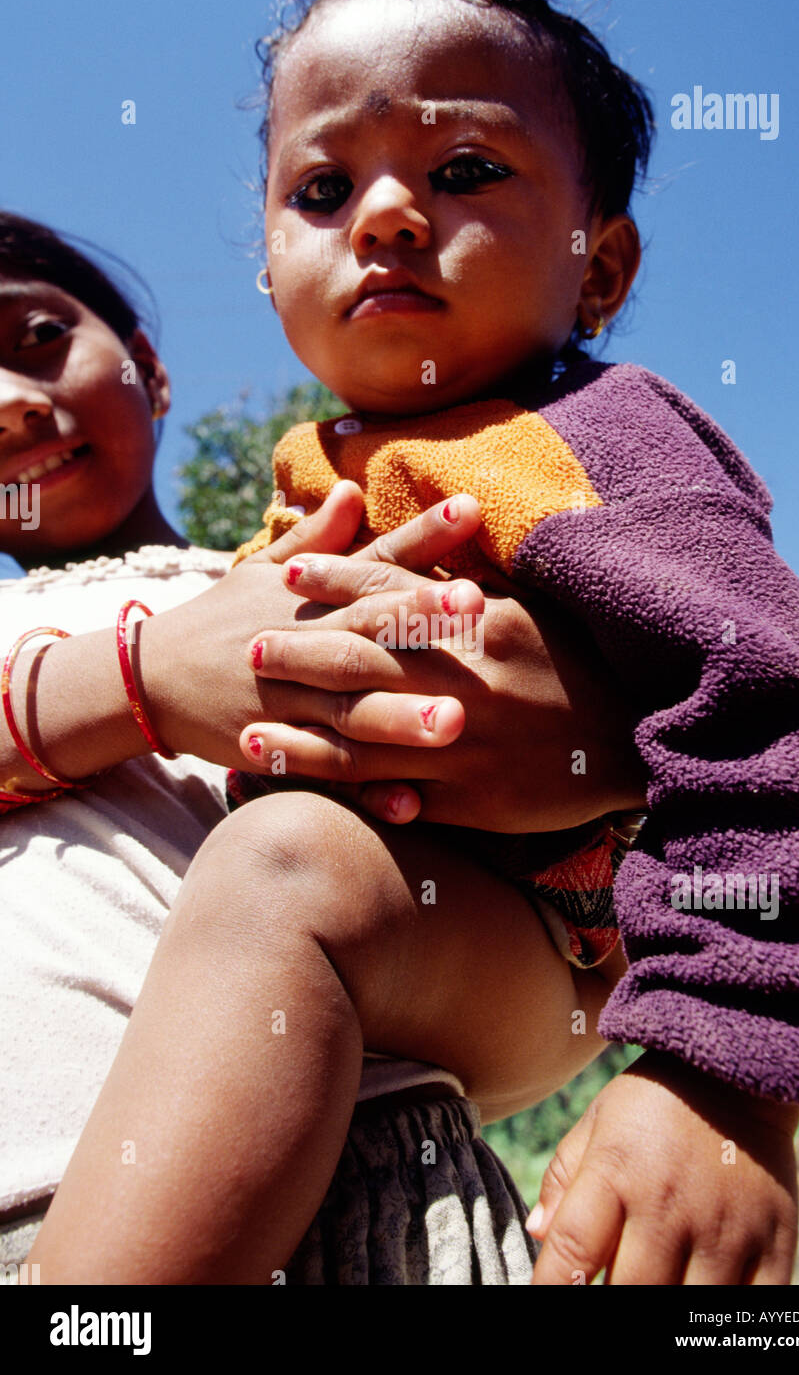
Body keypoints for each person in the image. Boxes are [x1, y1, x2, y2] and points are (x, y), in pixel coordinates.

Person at [27, 0, 799, 1286]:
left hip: (498, 949)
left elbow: (787, 716)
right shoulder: (313, 479)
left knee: (283, 863)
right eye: (321, 191)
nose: (387, 214)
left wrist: (722, 1073)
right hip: (353, 952)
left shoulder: (592, 438)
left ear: (602, 266)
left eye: (464, 169)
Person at [0, 210, 644, 1283]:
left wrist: (594, 743)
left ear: (151, 372)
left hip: (368, 1183)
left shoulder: (338, 564)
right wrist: (140, 677)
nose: (13, 402)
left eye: (38, 337)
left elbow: (574, 927)